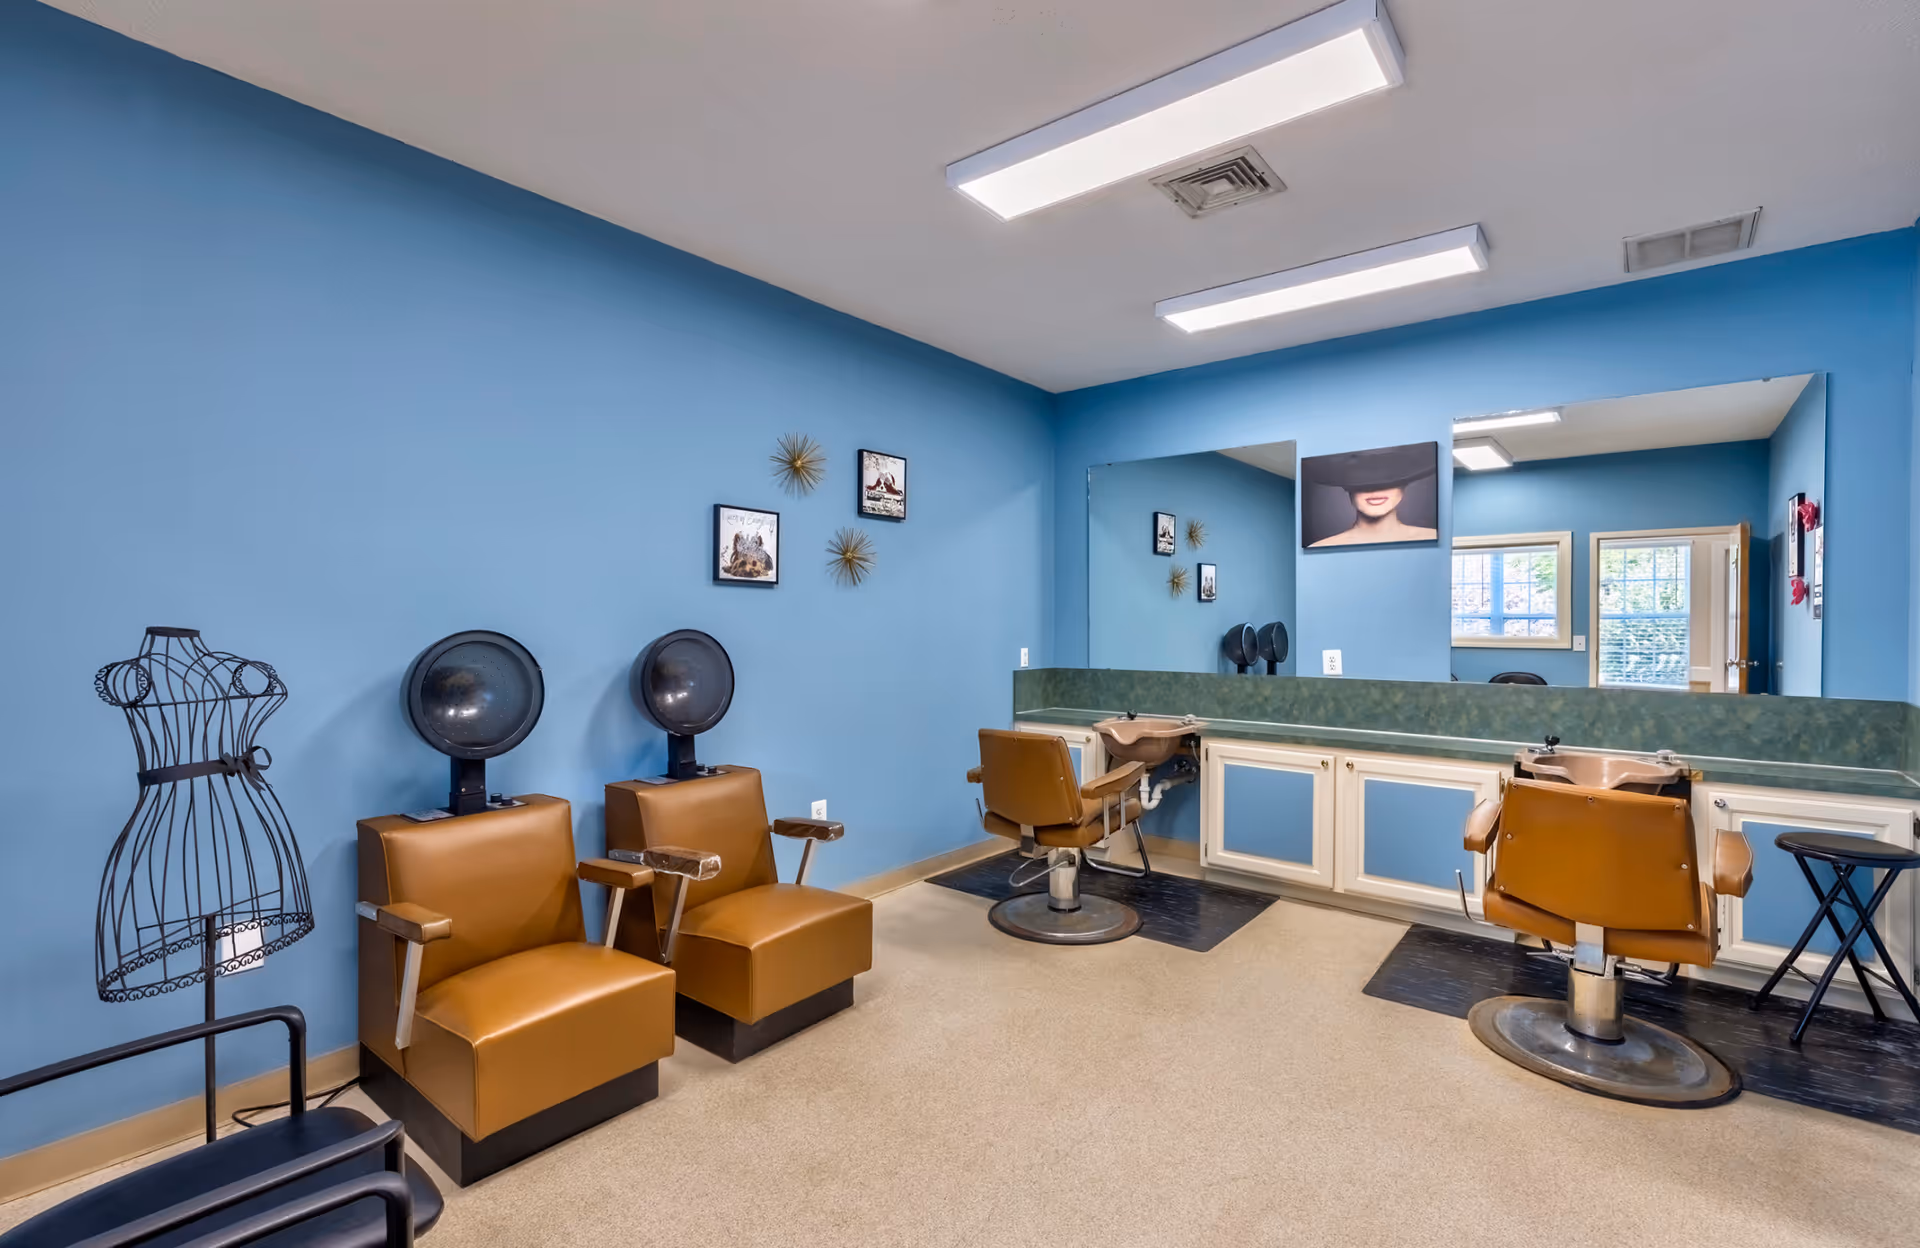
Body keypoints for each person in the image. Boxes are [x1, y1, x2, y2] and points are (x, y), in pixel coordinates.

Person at [1305, 444, 1438, 547]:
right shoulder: (1321, 546)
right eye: (1362, 482)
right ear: (1347, 488)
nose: (1376, 490)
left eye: (1390, 480)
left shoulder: (1434, 536)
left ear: (1403, 485)